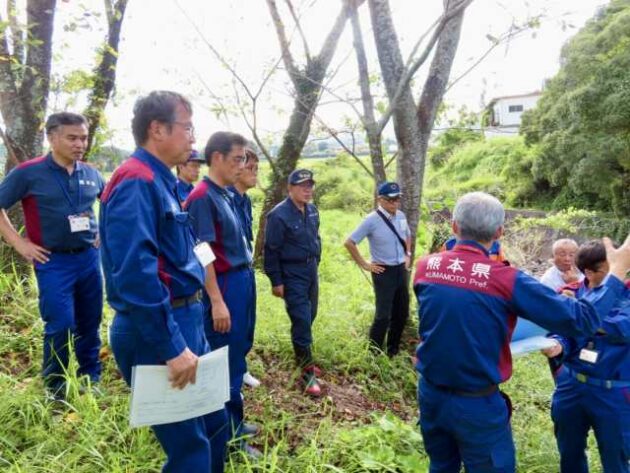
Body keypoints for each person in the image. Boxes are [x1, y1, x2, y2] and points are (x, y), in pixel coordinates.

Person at [412, 191, 630, 473]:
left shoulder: (425, 267)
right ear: (499, 232)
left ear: (454, 226)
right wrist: (618, 270)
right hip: (476, 403)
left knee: (441, 465)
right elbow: (583, 320)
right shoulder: (506, 280)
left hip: (430, 394)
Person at [100, 91, 228, 473]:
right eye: (187, 128)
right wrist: (172, 347)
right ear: (158, 129)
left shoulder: (162, 180)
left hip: (186, 315)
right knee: (189, 448)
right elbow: (136, 275)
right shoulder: (136, 181)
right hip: (157, 327)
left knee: (212, 424)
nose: (193, 138)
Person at [0, 112, 104, 401]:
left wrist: (103, 231)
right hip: (53, 261)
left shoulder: (91, 174)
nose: (80, 144)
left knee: (90, 321)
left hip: (88, 258)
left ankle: (90, 377)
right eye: (72, 138)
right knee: (60, 323)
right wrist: (19, 243)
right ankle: (55, 387)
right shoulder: (28, 173)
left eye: (83, 138)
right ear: (51, 137)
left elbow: (112, 203)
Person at [185, 131, 260, 457]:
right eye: (237, 159)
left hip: (242, 279)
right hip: (224, 285)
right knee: (223, 359)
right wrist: (216, 300)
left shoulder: (225, 194)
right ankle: (228, 439)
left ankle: (235, 422)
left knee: (238, 351)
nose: (242, 165)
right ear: (217, 158)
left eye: (244, 159)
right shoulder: (203, 197)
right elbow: (203, 253)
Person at [542, 239, 630, 473]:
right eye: (610, 268)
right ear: (589, 272)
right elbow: (561, 331)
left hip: (613, 391)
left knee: (616, 455)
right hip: (572, 385)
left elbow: (624, 328)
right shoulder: (570, 293)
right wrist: (559, 344)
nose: (618, 273)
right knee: (569, 451)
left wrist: (580, 316)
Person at [264, 169, 322, 397]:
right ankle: (307, 373)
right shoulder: (278, 215)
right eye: (302, 186)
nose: (307, 190)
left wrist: (316, 261)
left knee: (311, 314)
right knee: (301, 320)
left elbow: (316, 237)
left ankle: (302, 356)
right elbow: (271, 250)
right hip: (292, 273)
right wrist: (276, 281)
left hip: (311, 270)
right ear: (290, 188)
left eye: (310, 186)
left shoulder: (313, 211)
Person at [344, 181, 411, 356]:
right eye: (390, 200)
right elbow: (349, 242)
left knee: (402, 312)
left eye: (397, 199)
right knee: (383, 315)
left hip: (401, 269)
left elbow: (407, 236)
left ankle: (392, 350)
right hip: (383, 271)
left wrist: (408, 255)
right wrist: (365, 264)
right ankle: (373, 353)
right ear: (380, 199)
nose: (394, 203)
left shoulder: (401, 216)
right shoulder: (371, 220)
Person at [228, 148, 261, 388]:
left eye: (257, 169)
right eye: (250, 168)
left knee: (248, 322)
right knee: (232, 326)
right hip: (229, 273)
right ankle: (231, 376)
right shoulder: (224, 199)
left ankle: (240, 367)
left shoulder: (245, 201)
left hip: (246, 269)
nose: (255, 173)